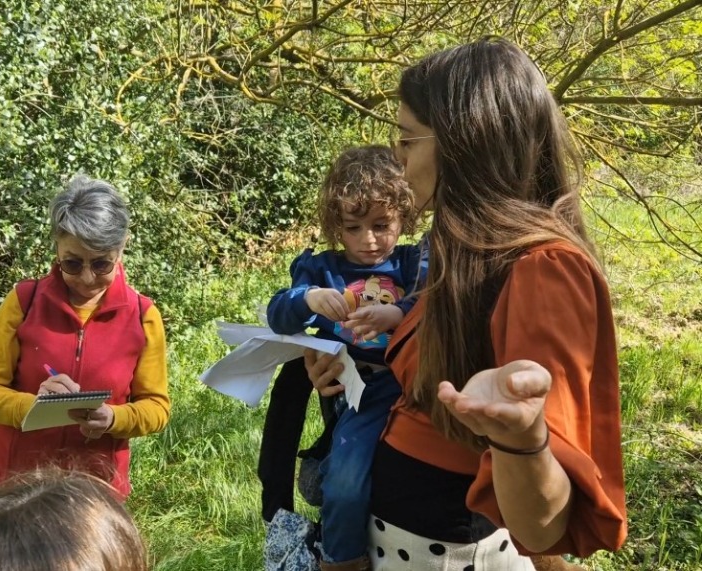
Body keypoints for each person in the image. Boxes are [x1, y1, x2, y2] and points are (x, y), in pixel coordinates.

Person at [304, 39, 627, 570]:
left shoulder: (543, 269)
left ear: (463, 143)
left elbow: (542, 527)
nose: (398, 160)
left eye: (407, 140)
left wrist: (523, 438)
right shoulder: (461, 252)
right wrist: (342, 363)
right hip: (399, 539)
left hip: (445, 553)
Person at [261, 145, 425, 571]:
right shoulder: (322, 270)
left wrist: (398, 314)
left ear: (403, 216)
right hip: (360, 389)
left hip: (411, 381)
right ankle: (341, 560)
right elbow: (278, 313)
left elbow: (431, 300)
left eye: (382, 225)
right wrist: (309, 299)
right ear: (336, 226)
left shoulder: (411, 263)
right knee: (346, 483)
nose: (369, 239)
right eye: (353, 227)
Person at [0, 175, 171, 498]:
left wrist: (113, 418)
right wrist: (33, 406)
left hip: (96, 490)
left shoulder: (143, 315)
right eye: (73, 264)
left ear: (122, 247)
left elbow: (157, 408)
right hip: (19, 488)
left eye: (102, 264)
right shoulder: (24, 302)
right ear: (57, 248)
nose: (87, 278)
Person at [0, 469, 149, 571]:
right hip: (21, 471)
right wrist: (30, 406)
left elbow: (155, 408)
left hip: (93, 479)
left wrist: (113, 418)